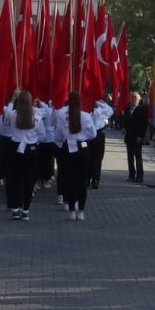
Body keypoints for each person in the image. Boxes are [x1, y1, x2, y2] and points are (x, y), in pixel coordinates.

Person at [4, 91, 46, 221]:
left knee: (15, 180)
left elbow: (6, 111)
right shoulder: (37, 117)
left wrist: (12, 99)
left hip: (15, 149)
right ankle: (26, 210)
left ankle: (15, 209)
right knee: (29, 181)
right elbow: (43, 136)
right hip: (31, 150)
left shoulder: (13, 115)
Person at [58, 91, 97, 221]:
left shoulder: (62, 116)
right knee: (82, 180)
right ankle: (81, 210)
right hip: (83, 148)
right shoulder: (86, 116)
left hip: (68, 148)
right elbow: (93, 134)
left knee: (69, 179)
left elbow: (58, 135)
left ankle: (71, 210)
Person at [122, 92, 149, 182]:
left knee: (138, 156)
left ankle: (140, 175)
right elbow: (125, 120)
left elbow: (144, 125)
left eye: (135, 97)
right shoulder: (127, 108)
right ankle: (131, 175)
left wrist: (140, 136)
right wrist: (124, 127)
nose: (133, 99)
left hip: (137, 137)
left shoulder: (142, 110)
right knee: (130, 157)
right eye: (132, 97)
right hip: (129, 137)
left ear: (139, 99)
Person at [90, 98, 114, 189]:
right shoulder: (100, 111)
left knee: (90, 158)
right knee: (97, 159)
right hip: (97, 136)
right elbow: (110, 111)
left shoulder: (87, 110)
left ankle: (89, 180)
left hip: (89, 137)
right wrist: (100, 102)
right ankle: (95, 180)